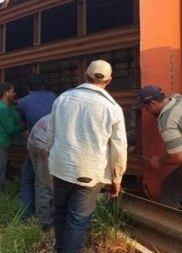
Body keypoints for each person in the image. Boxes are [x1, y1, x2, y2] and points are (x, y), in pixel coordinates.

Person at [46, 60, 127, 253]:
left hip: (61, 166)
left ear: (85, 75)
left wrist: (53, 158)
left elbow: (50, 135)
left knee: (60, 211)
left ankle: (60, 249)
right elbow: (119, 147)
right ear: (110, 80)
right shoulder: (112, 108)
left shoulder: (63, 99)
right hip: (89, 172)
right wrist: (117, 178)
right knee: (78, 219)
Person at [132, 85, 182, 212]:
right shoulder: (179, 98)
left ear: (153, 103)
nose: (146, 110)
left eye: (146, 107)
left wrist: (159, 161)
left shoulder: (166, 122)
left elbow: (178, 156)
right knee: (170, 188)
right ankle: (167, 223)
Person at [17, 74, 56, 226]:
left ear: (27, 89)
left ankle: (40, 220)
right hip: (56, 141)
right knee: (44, 178)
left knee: (36, 182)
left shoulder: (22, 102)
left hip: (37, 144)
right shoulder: (53, 96)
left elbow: (22, 123)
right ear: (43, 86)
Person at [27, 114, 54, 230]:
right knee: (46, 186)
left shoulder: (55, 114)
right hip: (45, 147)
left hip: (34, 143)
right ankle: (46, 225)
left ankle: (46, 221)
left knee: (42, 184)